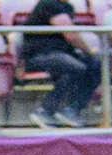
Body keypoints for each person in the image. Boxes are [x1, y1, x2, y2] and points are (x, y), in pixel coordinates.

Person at [21, 0, 97, 128]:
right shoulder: (48, 4)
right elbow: (70, 35)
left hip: (63, 55)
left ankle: (72, 110)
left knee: (95, 64)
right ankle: (45, 110)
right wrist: (89, 51)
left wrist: (90, 55)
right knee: (74, 67)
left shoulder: (68, 7)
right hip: (40, 55)